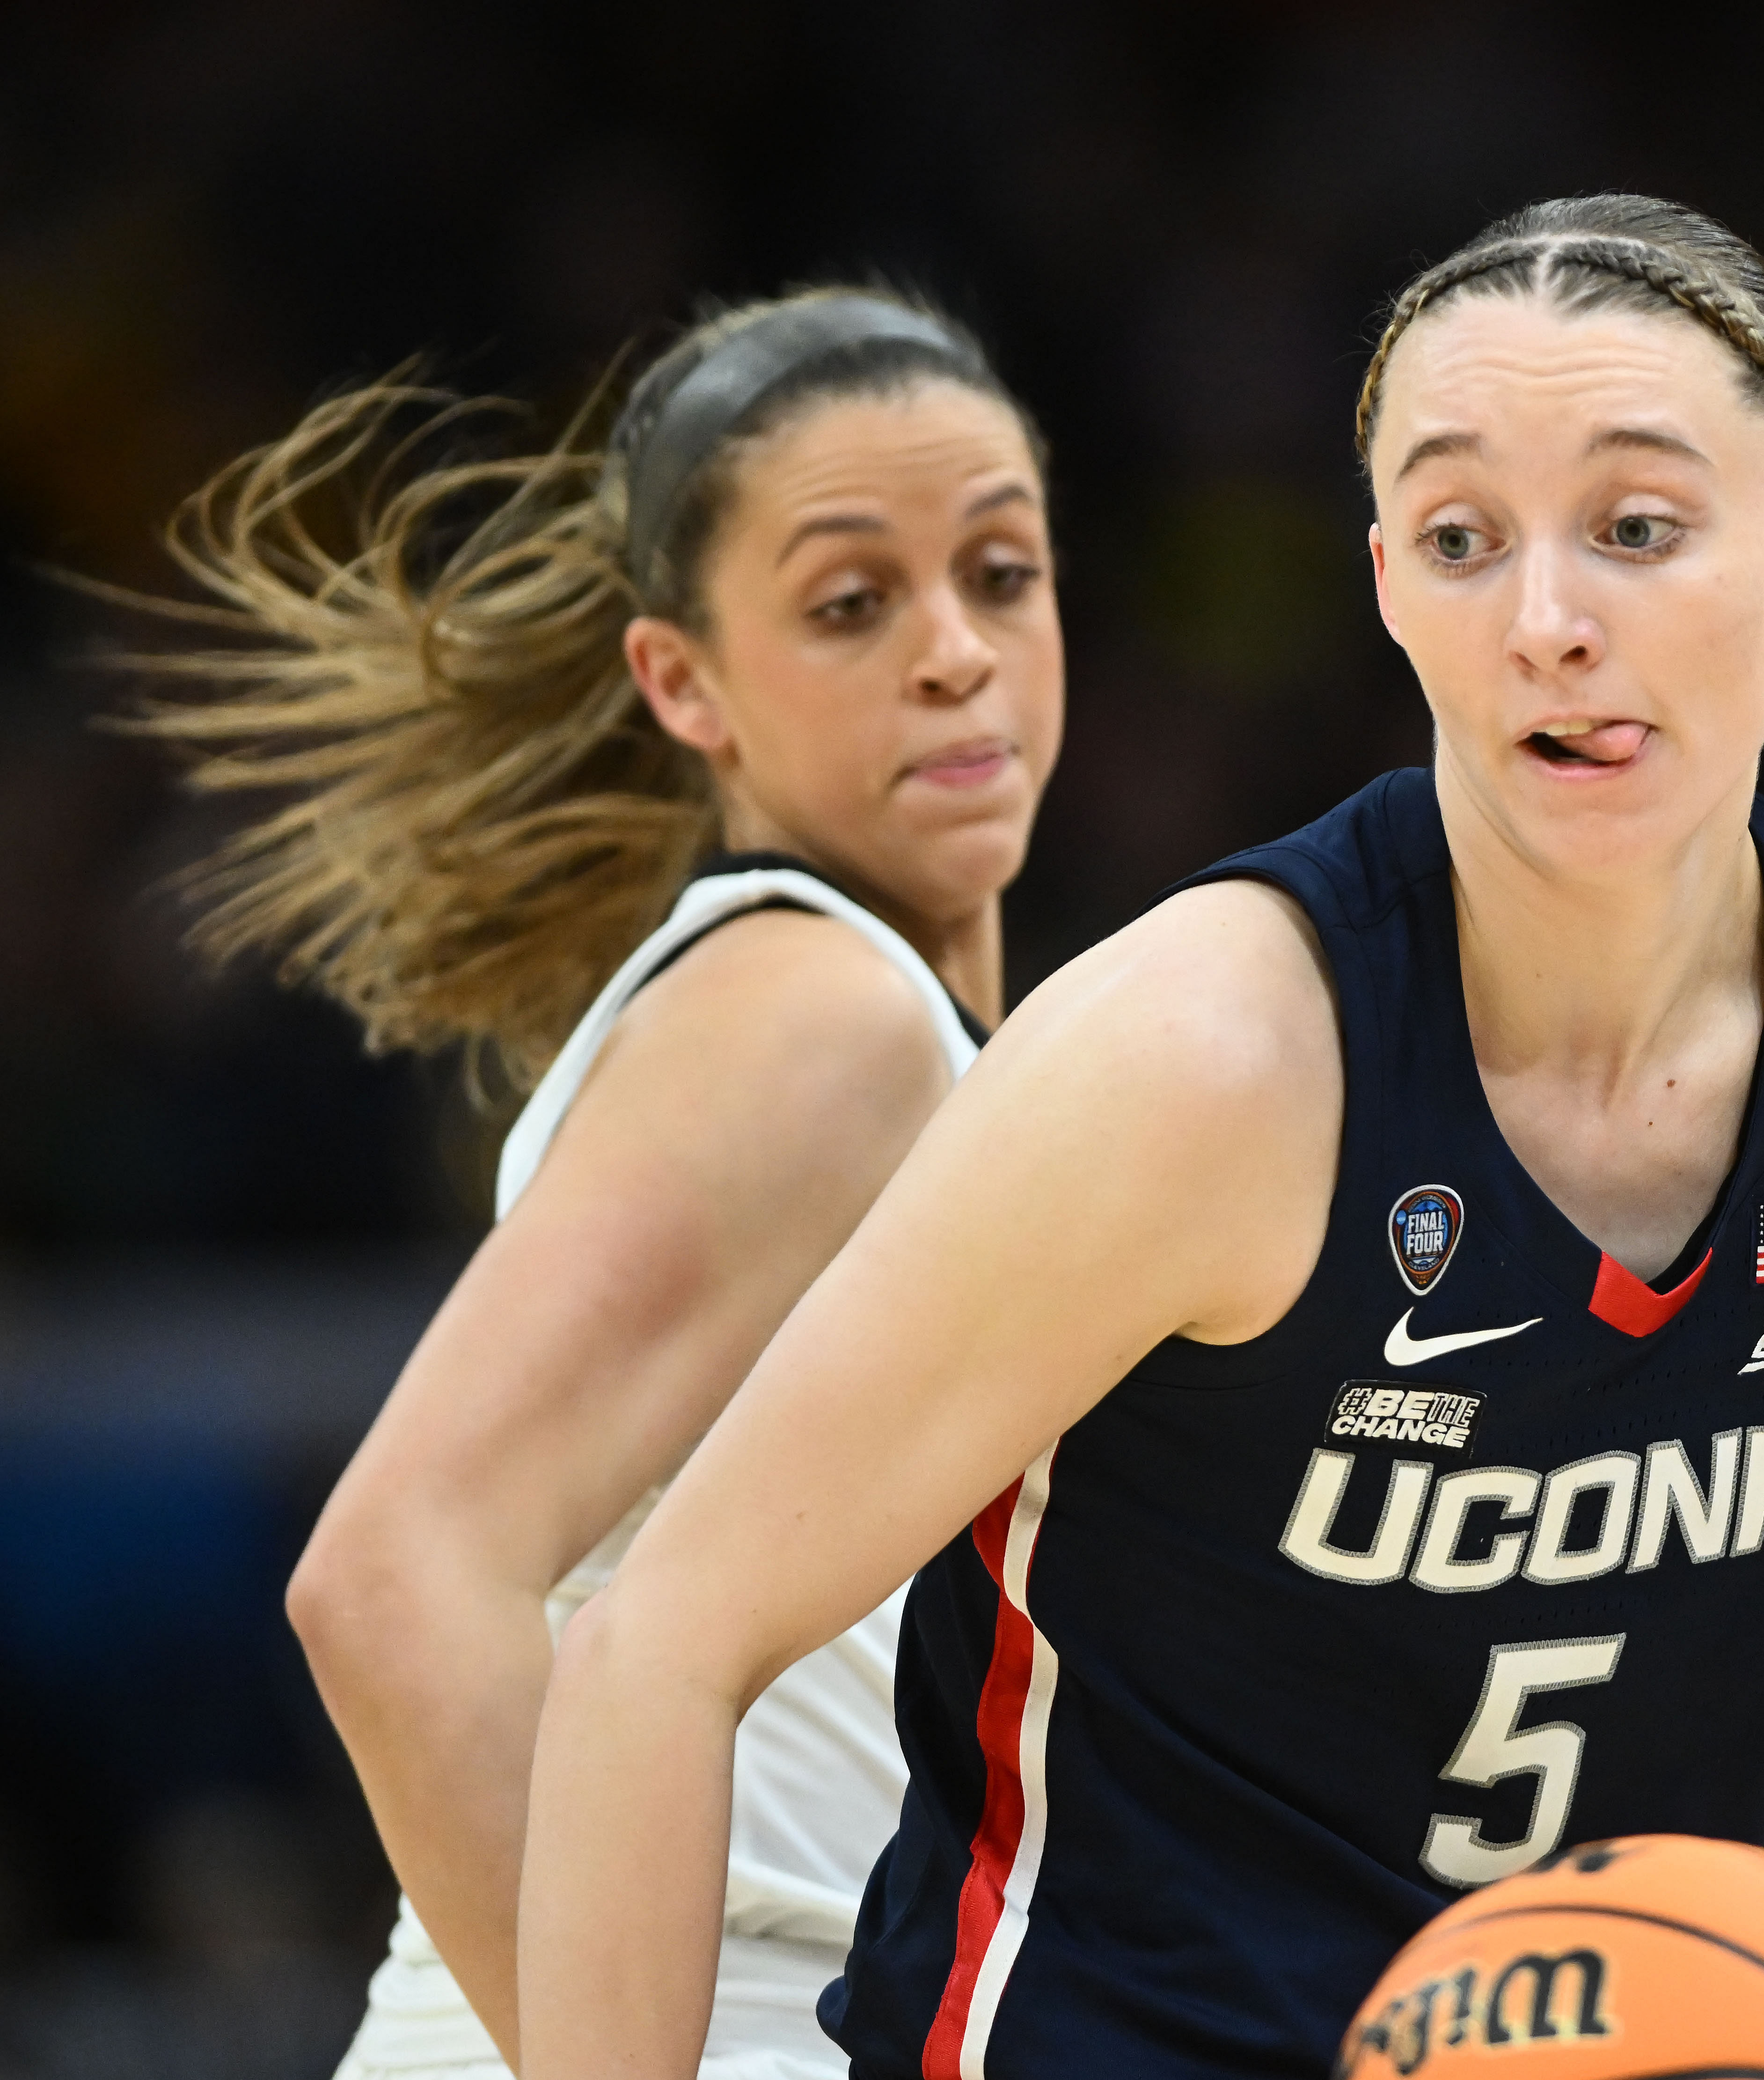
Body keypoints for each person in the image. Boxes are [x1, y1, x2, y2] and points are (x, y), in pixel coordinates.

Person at [518, 95, 1764, 2080]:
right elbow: (653, 1645)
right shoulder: (1206, 1058)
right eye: (1458, 534)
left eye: (1633, 526)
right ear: (1385, 586)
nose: (1546, 622)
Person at [130, 288, 1062, 2079]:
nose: (956, 651)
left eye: (1003, 573)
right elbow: (395, 1576)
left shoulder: (897, 1029)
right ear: (681, 681)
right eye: (853, 601)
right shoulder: (818, 1014)